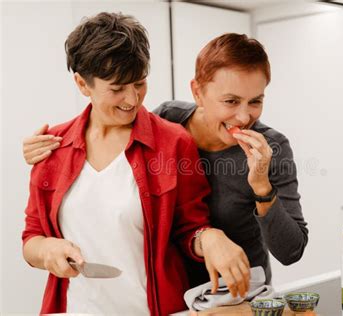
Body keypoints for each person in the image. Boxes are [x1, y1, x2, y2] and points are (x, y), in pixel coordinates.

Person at [23, 33, 308, 288]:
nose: (244, 117)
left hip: (237, 293)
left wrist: (261, 187)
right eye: (231, 101)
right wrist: (47, 151)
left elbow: (291, 251)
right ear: (197, 92)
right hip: (171, 294)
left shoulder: (272, 148)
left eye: (255, 101)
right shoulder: (168, 123)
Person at [21, 12, 250, 315]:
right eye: (117, 88)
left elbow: (189, 230)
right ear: (82, 84)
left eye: (139, 83)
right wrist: (47, 250)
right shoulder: (51, 147)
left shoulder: (173, 142)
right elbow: (31, 238)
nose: (133, 99)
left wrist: (210, 238)